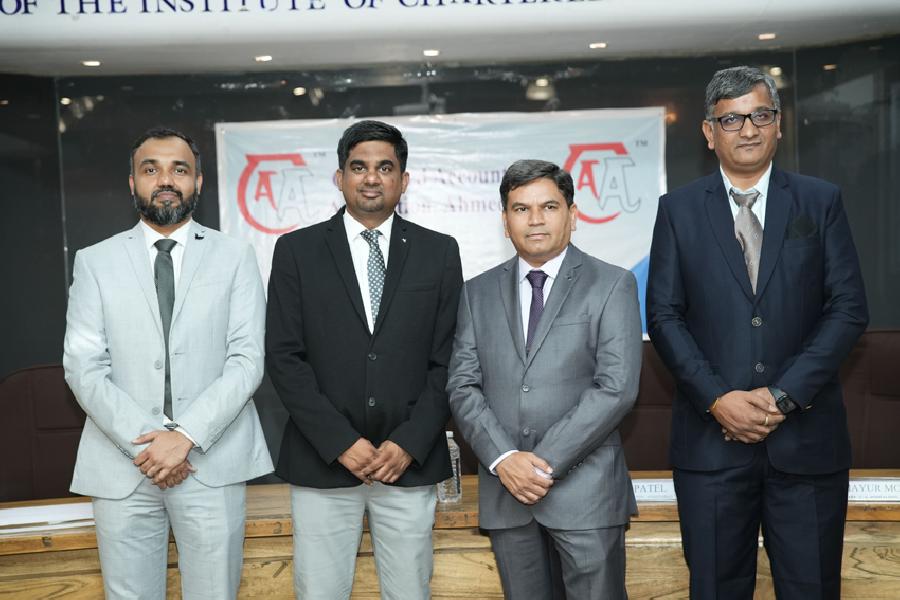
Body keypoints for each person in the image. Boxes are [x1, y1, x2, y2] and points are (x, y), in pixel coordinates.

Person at [646, 66, 869, 599]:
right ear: (709, 132)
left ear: (779, 124)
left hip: (807, 446)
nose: (748, 130)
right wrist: (717, 399)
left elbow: (848, 309)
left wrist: (782, 396)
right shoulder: (678, 210)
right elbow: (664, 316)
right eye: (731, 120)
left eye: (760, 115)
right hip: (711, 449)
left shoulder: (820, 201)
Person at [63, 127, 273, 599]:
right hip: (122, 465)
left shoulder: (236, 256)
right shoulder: (95, 261)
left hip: (211, 461)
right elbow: (83, 366)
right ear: (132, 182)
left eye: (179, 170)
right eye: (150, 169)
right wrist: (150, 445)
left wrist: (184, 437)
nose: (165, 180)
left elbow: (247, 360)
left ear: (198, 182)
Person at [265, 119, 463, 599]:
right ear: (339, 177)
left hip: (407, 465)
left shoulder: (438, 252)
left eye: (385, 167)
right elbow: (284, 358)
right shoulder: (296, 251)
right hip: (323, 463)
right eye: (359, 167)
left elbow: (451, 360)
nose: (372, 178)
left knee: (410, 592)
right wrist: (341, 442)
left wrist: (409, 443)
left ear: (404, 180)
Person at [447, 159, 642, 600]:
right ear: (505, 221)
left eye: (549, 207)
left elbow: (616, 388)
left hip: (586, 495)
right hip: (507, 494)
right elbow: (462, 385)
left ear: (573, 215)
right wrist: (504, 459)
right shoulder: (476, 292)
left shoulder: (612, 284)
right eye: (521, 209)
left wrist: (541, 464)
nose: (535, 219)